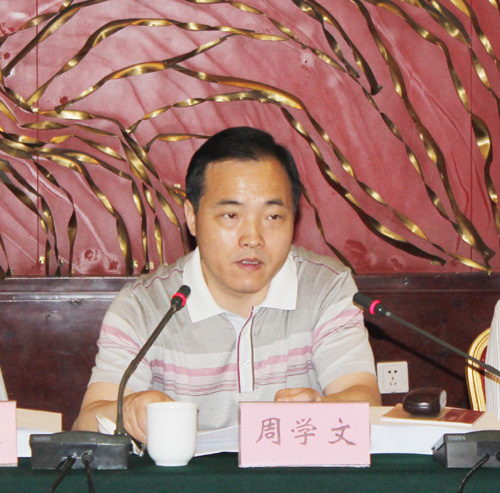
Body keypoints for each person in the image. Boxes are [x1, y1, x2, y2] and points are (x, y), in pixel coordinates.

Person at [72, 127, 381, 444]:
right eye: (231, 215)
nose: (253, 239)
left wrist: (323, 408)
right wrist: (128, 410)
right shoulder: (143, 306)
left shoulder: (327, 287)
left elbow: (364, 400)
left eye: (273, 216)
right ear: (192, 216)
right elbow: (86, 423)